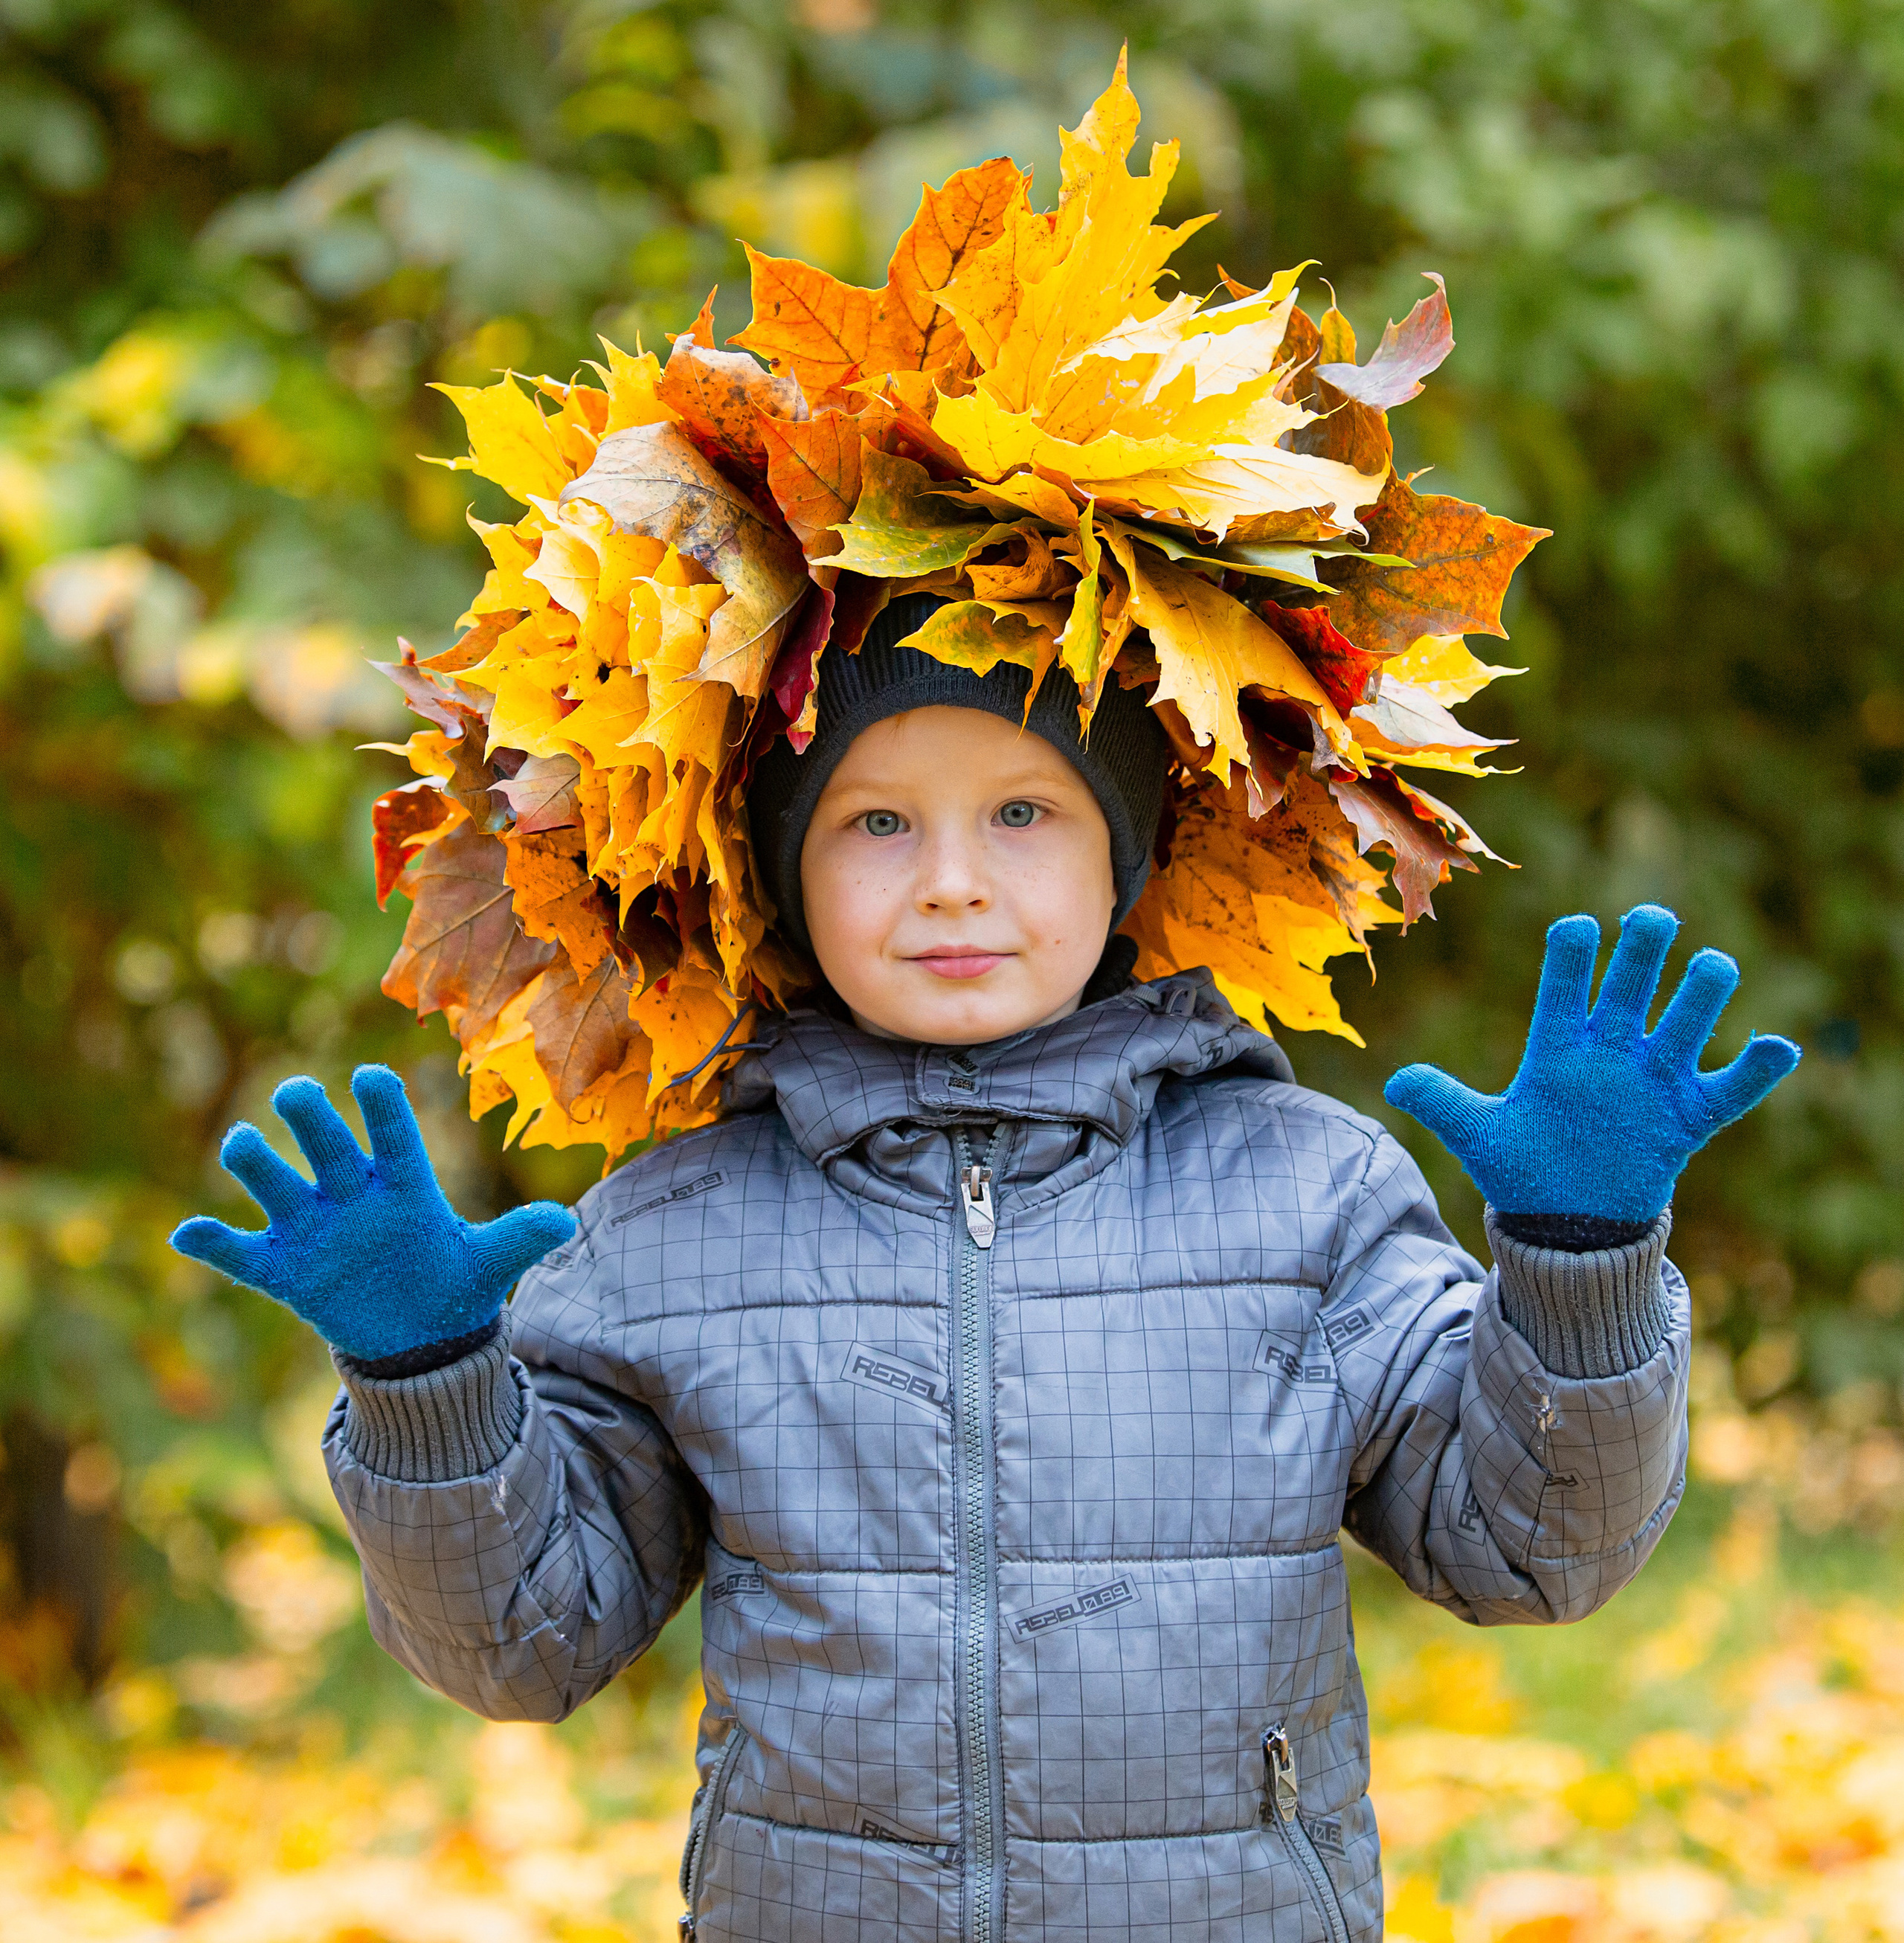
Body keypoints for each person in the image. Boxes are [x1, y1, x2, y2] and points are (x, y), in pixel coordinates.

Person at [173, 598, 1798, 1943]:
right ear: (784, 880)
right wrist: (426, 1386)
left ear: (1128, 861)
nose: (951, 878)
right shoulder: (675, 1230)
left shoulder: (1303, 1196)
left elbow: (1530, 1547)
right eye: (877, 822)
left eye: (1021, 811)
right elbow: (516, 1646)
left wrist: (1579, 1266)